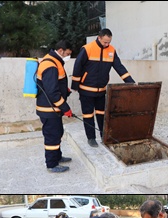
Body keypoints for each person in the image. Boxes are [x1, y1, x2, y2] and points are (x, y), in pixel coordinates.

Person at [71, 28, 135, 147]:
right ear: (99, 38)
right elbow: (77, 67)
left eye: (109, 42)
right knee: (88, 115)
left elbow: (119, 67)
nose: (107, 44)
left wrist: (130, 82)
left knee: (102, 114)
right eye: (105, 42)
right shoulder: (87, 48)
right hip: (86, 90)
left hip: (101, 91)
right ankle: (91, 138)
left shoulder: (111, 50)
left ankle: (103, 135)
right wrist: (75, 86)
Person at [35, 40, 74, 173]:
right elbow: (52, 91)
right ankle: (52, 164)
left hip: (52, 108)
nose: (68, 56)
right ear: (61, 50)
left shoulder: (53, 60)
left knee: (57, 133)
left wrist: (65, 90)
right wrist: (65, 107)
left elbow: (54, 84)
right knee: (52, 136)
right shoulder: (50, 64)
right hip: (49, 109)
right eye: (67, 53)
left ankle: (57, 156)